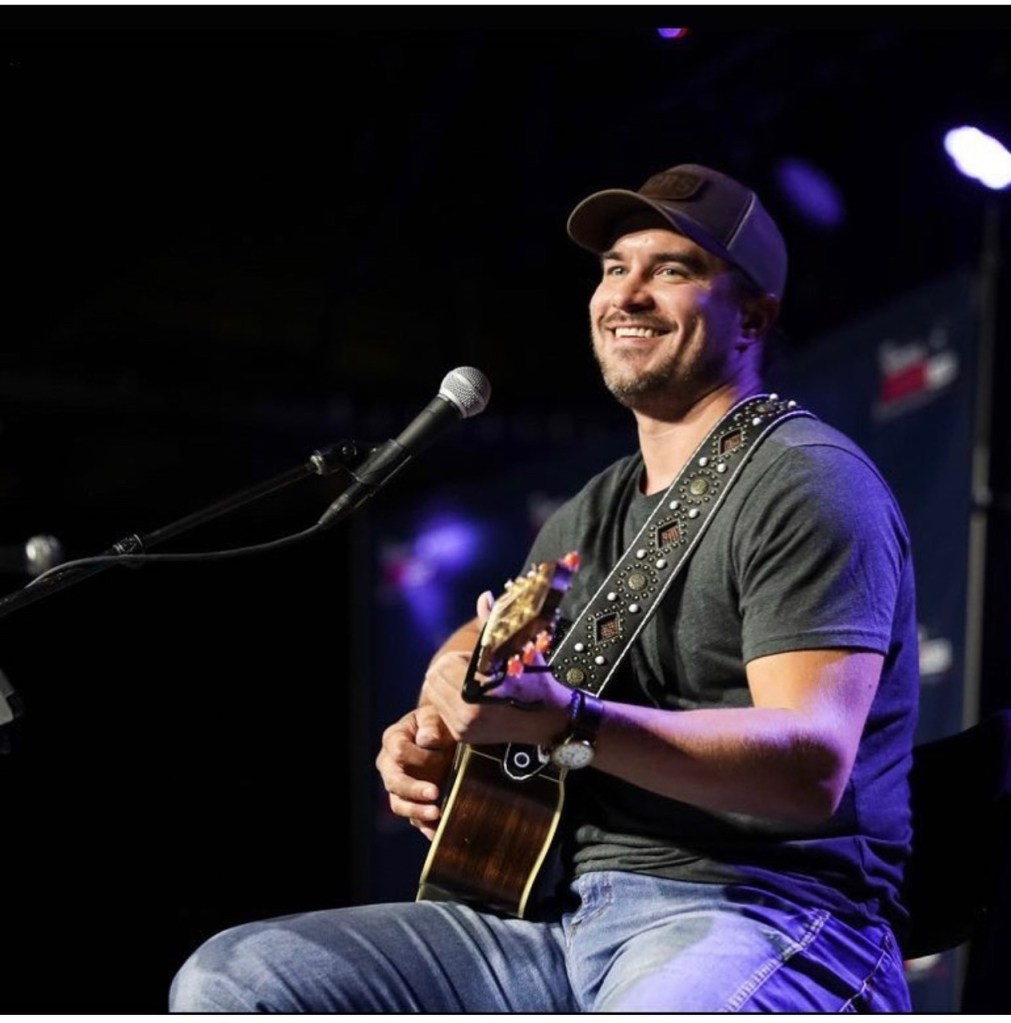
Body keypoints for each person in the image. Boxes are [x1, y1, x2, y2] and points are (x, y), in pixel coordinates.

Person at [169, 162, 920, 1012]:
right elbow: (498, 634)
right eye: (614, 268)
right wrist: (441, 702)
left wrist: (570, 722)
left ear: (751, 316)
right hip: (562, 920)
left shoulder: (805, 480)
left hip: (767, 910)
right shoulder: (588, 512)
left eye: (671, 269)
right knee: (238, 975)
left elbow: (809, 765)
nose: (626, 293)